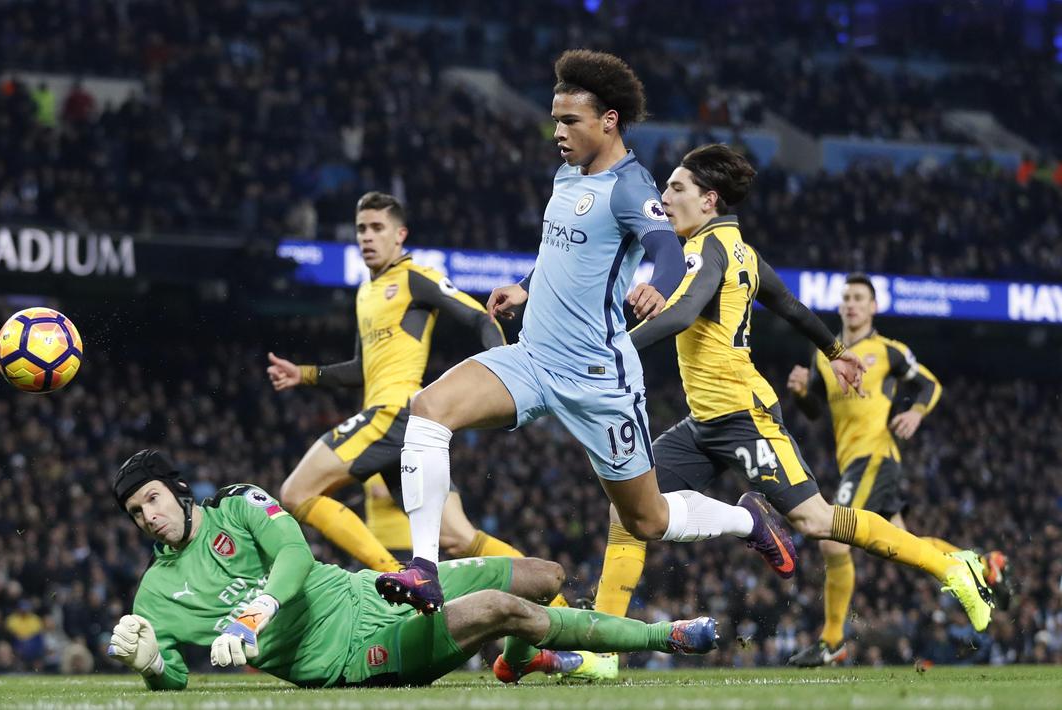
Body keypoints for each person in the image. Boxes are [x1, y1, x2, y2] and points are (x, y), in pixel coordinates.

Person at [375, 51, 791, 658]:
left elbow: (666, 249)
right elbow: (561, 249)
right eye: (555, 119)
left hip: (599, 379)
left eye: (570, 120)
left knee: (646, 520)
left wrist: (658, 280)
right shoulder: (566, 175)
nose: (558, 132)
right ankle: (423, 569)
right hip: (534, 358)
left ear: (609, 121)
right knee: (429, 409)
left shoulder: (631, 186)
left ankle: (747, 520)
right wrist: (525, 283)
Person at [589, 145, 994, 666]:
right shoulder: (743, 251)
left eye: (676, 188)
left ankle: (951, 569)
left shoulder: (704, 250)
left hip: (743, 418)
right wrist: (836, 351)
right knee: (628, 509)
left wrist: (618, 347)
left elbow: (684, 311)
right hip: (705, 422)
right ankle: (600, 648)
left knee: (818, 521)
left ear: (709, 200)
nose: (664, 198)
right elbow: (790, 306)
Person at [104, 450, 719, 690]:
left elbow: (292, 553)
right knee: (503, 611)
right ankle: (664, 637)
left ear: (180, 493)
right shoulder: (156, 595)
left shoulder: (237, 503)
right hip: (347, 656)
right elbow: (175, 681)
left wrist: (255, 612)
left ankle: (523, 658)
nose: (148, 517)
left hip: (367, 593)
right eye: (136, 513)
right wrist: (152, 664)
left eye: (153, 499)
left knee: (545, 575)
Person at [267, 191, 551, 599]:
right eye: (362, 228)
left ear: (400, 234)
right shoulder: (367, 292)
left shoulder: (416, 275)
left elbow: (477, 316)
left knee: (295, 493)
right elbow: (360, 370)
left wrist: (500, 368)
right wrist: (305, 375)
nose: (367, 236)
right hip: (397, 421)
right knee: (458, 538)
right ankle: (555, 599)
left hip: (395, 412)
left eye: (377, 228)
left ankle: (396, 575)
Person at [784, 272, 1011, 666]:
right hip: (851, 460)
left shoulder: (887, 351)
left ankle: (831, 641)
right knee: (903, 540)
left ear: (873, 307)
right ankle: (978, 562)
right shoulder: (825, 355)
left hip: (875, 455)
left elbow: (929, 384)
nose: (852, 303)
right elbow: (816, 411)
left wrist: (916, 413)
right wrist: (802, 393)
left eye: (860, 298)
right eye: (847, 297)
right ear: (840, 306)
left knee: (831, 538)